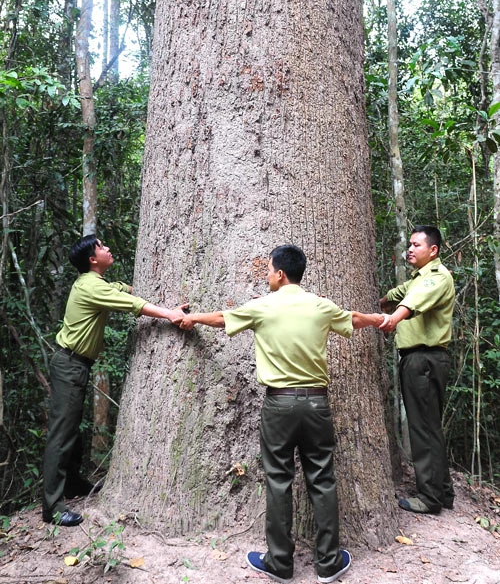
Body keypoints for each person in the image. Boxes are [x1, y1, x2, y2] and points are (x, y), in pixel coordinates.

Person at [179, 244, 384, 584]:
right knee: (322, 478)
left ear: (280, 274)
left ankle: (280, 563)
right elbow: (354, 319)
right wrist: (380, 319)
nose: (267, 275)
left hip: (278, 405)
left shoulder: (263, 307)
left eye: (269, 270)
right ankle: (329, 563)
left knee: (278, 480)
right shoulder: (320, 305)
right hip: (317, 404)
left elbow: (220, 319)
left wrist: (190, 318)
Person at [42, 235, 187, 527]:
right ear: (93, 260)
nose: (107, 248)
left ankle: (71, 483)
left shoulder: (95, 284)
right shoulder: (91, 287)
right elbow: (132, 304)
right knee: (61, 434)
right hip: (69, 365)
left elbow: (121, 290)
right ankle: (52, 508)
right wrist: (169, 314)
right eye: (101, 247)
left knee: (72, 429)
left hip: (74, 364)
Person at [379, 225, 455, 515]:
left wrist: (392, 319)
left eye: (416, 245)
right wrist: (380, 304)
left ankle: (429, 497)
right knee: (431, 427)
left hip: (423, 359)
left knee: (422, 429)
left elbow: (412, 301)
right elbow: (399, 293)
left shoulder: (437, 277)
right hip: (424, 359)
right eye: (408, 245)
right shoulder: (418, 278)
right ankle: (443, 491)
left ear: (433, 250)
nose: (409, 249)